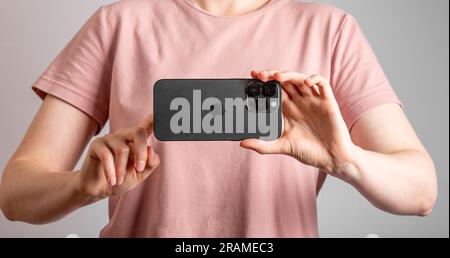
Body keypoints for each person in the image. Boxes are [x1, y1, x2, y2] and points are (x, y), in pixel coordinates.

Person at [0, 0, 437, 237]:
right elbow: (16, 192)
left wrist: (347, 160)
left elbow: (421, 190)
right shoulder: (118, 23)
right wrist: (81, 185)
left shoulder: (331, 30)